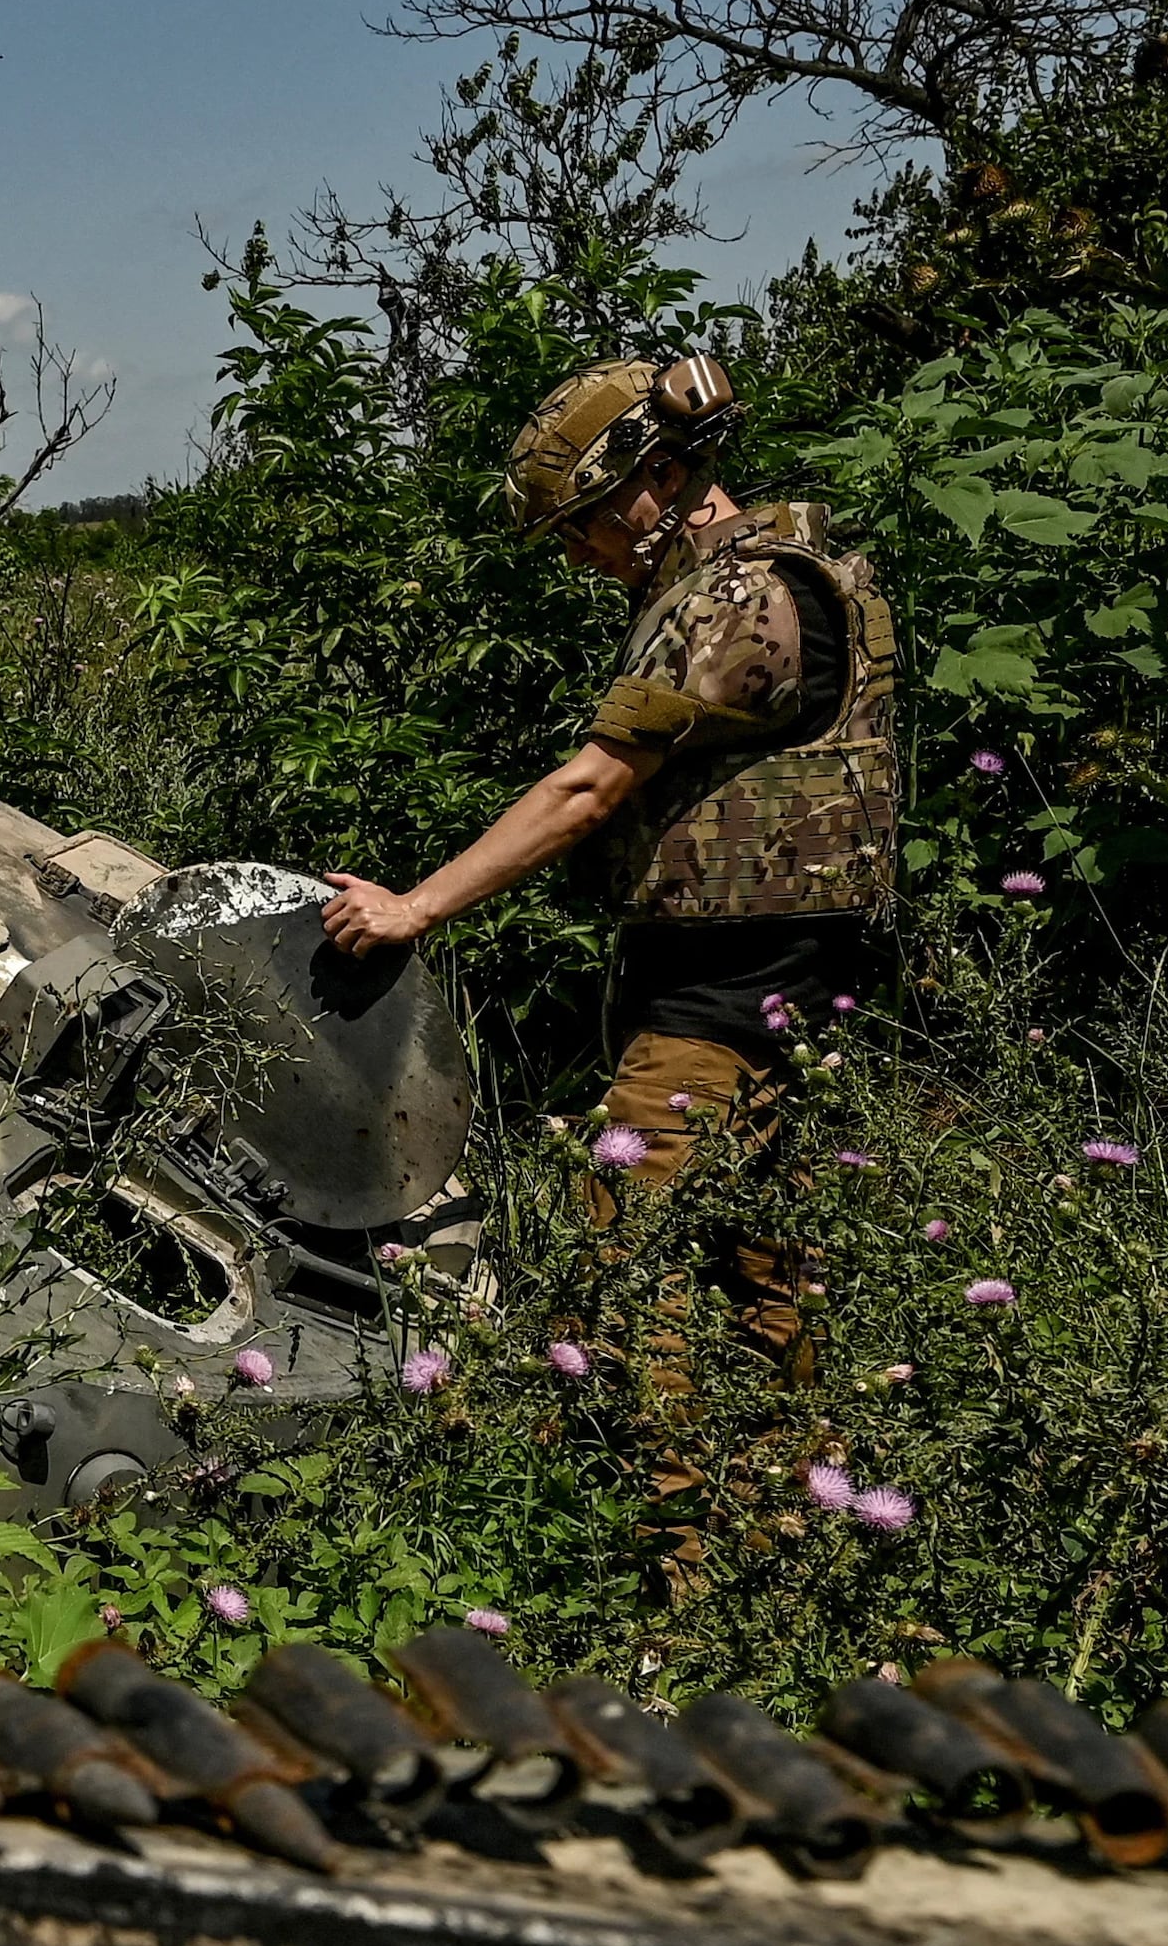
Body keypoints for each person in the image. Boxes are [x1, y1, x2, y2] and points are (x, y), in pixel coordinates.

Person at [318, 354, 898, 1407]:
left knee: (623, 1279)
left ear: (654, 478)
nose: (580, 554)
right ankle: (784, 1524)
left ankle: (669, 1537)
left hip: (724, 1003)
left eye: (583, 521)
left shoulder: (742, 595)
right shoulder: (778, 575)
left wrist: (412, 909)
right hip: (776, 993)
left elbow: (588, 787)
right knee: (763, 1285)